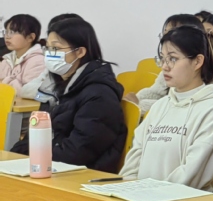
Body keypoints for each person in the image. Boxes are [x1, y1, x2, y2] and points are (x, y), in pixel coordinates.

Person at [120, 26, 213, 189]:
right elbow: (134, 161)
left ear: (197, 61)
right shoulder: (160, 106)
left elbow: (191, 176)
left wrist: (147, 194)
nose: (164, 66)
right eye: (162, 59)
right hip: (141, 198)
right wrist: (127, 189)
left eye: (173, 59)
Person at [11, 18, 127, 172]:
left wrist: (34, 158)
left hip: (80, 174)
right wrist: (16, 157)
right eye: (47, 48)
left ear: (80, 52)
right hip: (49, 166)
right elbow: (32, 138)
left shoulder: (99, 94)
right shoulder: (53, 88)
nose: (49, 54)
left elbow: (77, 153)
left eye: (56, 48)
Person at [125, 14, 205, 113]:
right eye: (165, 33)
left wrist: (139, 105)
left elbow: (177, 105)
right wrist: (134, 101)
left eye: (171, 32)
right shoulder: (168, 69)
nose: (166, 37)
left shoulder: (202, 86)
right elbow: (154, 92)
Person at [19, 13, 83, 104]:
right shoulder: (55, 68)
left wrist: (49, 93)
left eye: (56, 47)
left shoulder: (90, 76)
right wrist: (52, 95)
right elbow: (25, 91)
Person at [0, 14, 45, 95]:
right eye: (6, 32)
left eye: (13, 32)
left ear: (30, 37)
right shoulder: (6, 61)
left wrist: (5, 81)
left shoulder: (38, 61)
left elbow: (29, 93)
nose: (7, 36)